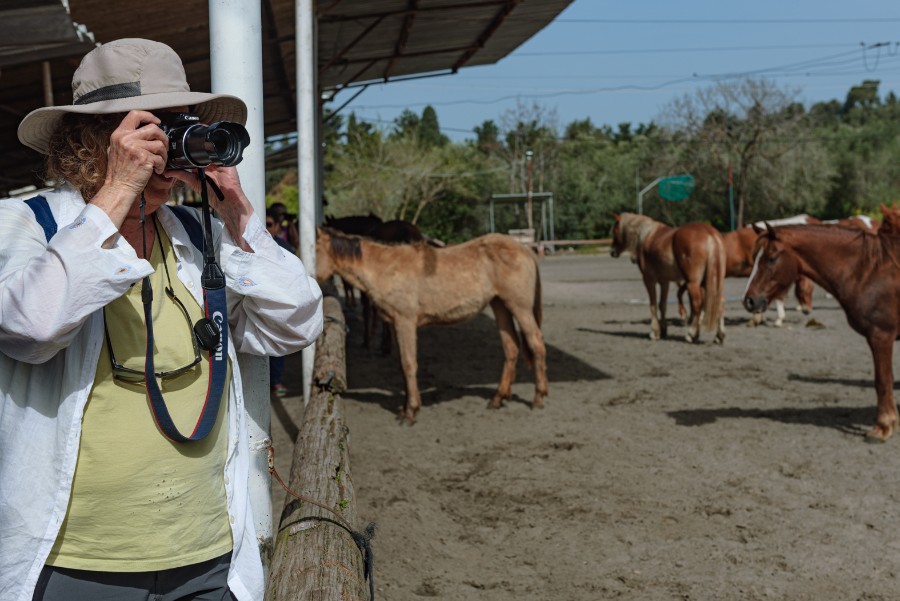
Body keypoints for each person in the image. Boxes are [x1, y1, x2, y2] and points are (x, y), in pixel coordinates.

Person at [0, 39, 323, 601]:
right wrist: (119, 189)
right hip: (75, 562)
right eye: (150, 126)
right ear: (90, 141)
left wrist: (239, 218)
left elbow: (294, 325)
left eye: (179, 125)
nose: (165, 146)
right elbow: (32, 327)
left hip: (205, 552)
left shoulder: (200, 237)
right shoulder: (27, 225)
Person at [265, 207, 296, 397]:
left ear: (277, 227)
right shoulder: (245, 244)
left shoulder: (285, 248)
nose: (265, 229)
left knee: (276, 348)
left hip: (276, 303)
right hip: (253, 304)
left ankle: (275, 381)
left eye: (269, 225)